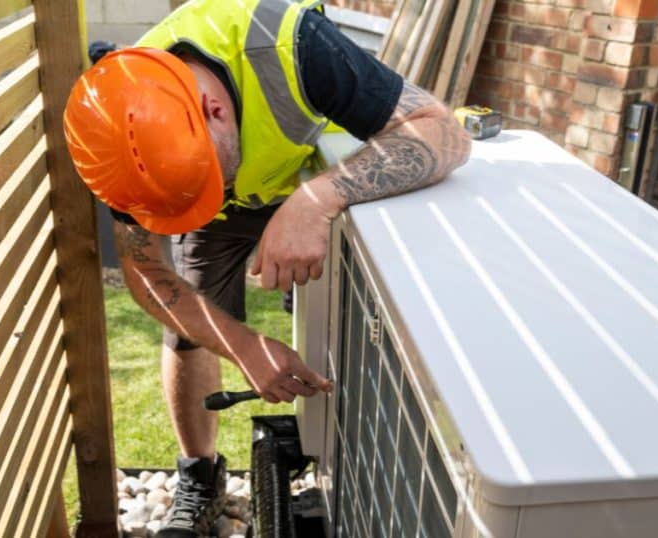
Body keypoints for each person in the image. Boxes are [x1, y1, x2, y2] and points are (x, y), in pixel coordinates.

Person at [64, 1, 470, 535]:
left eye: (209, 183)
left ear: (212, 109)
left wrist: (316, 200)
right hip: (226, 187)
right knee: (185, 328)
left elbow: (442, 133)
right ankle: (199, 476)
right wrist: (240, 344)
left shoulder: (295, 47)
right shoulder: (122, 130)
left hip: (307, 173)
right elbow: (145, 270)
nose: (205, 207)